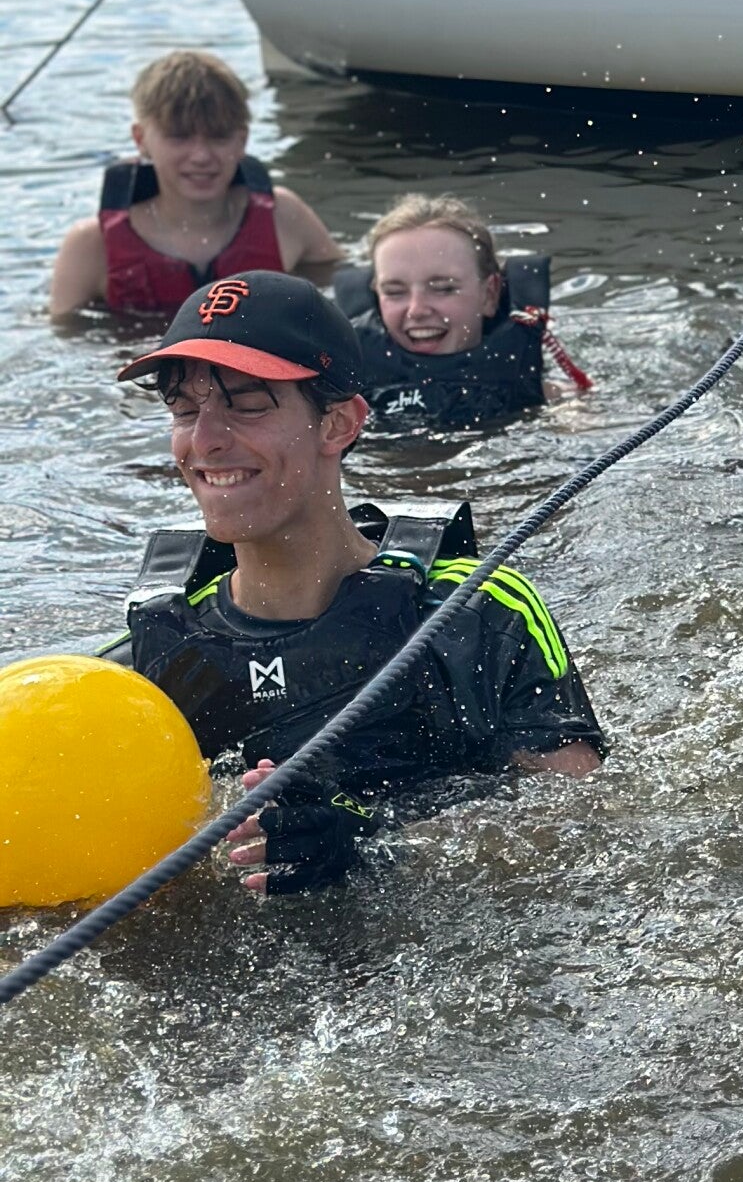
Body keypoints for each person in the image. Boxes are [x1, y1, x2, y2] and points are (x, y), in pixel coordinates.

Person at [113, 272, 603, 895]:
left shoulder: (474, 612)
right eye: (185, 410)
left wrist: (377, 848)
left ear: (338, 424)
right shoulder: (153, 661)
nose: (204, 441)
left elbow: (584, 818)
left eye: (248, 403)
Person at [48, 50, 340, 322]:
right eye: (179, 137)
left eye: (219, 137)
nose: (201, 156)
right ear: (141, 140)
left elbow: (343, 297)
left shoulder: (284, 216)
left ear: (242, 140)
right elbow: (64, 334)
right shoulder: (91, 245)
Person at [334, 194, 590, 434]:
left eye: (444, 288)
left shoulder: (551, 398)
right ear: (377, 295)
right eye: (394, 292)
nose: (417, 310)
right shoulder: (339, 395)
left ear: (489, 295)